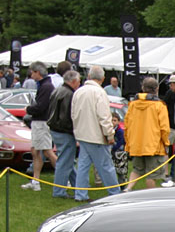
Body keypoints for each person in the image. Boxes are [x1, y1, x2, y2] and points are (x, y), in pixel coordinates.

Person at [71, 65, 120, 201]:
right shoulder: (99, 93)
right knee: (106, 166)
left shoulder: (78, 92)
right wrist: (109, 135)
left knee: (82, 165)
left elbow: (73, 114)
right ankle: (115, 193)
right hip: (96, 136)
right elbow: (104, 116)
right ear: (103, 79)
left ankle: (80, 194)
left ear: (88, 76)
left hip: (82, 134)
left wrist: (77, 131)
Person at [124, 77, 170, 191]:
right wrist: (166, 142)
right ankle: (151, 197)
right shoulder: (159, 105)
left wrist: (129, 143)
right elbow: (164, 128)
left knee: (136, 170)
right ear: (157, 89)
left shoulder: (132, 105)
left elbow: (127, 125)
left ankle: (127, 189)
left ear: (143, 88)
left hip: (136, 144)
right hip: (153, 145)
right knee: (152, 174)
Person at [21, 61, 58, 192]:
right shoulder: (44, 85)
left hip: (42, 122)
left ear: (38, 72)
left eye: (32, 73)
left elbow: (41, 107)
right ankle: (35, 180)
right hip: (39, 122)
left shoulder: (46, 87)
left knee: (47, 151)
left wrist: (28, 109)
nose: (31, 75)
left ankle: (64, 179)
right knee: (36, 151)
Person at [46, 68, 80, 198]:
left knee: (67, 160)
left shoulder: (58, 90)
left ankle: (78, 185)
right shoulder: (68, 94)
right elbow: (67, 116)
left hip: (55, 129)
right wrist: (74, 131)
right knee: (65, 161)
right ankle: (59, 191)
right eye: (78, 81)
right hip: (63, 131)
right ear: (73, 81)